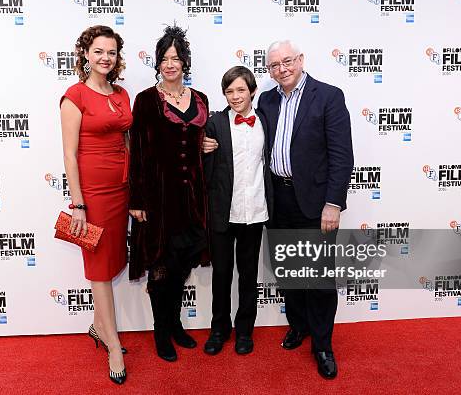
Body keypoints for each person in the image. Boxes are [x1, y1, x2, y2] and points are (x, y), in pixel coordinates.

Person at [257, 40, 354, 379]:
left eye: (287, 61)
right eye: (274, 65)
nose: (281, 69)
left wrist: (333, 203)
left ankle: (323, 344)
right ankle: (299, 327)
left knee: (319, 278)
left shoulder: (328, 96)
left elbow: (342, 156)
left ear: (301, 60)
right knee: (288, 272)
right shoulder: (266, 100)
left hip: (316, 204)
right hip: (278, 200)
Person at [128, 25, 210, 362]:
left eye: (176, 57)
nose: (170, 63)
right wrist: (136, 200)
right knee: (160, 268)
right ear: (157, 63)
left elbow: (202, 141)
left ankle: (175, 325)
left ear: (185, 62)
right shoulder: (146, 100)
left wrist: (210, 145)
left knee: (180, 268)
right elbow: (137, 152)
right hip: (158, 199)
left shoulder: (201, 98)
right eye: (164, 58)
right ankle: (162, 332)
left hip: (192, 199)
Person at [60, 25, 131, 385]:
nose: (106, 58)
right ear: (85, 54)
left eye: (112, 52)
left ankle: (98, 327)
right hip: (93, 194)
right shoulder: (74, 96)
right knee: (100, 267)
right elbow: (70, 155)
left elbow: (128, 142)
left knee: (113, 260)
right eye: (99, 51)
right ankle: (114, 344)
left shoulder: (121, 94)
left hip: (121, 190)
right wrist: (78, 204)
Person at [202, 66, 272, 356]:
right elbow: (202, 169)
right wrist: (200, 148)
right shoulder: (215, 124)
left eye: (240, 90)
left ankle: (245, 331)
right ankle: (219, 329)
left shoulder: (267, 121)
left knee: (247, 275)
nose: (235, 96)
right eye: (229, 91)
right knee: (221, 274)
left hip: (254, 211)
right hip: (222, 212)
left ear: (252, 91)